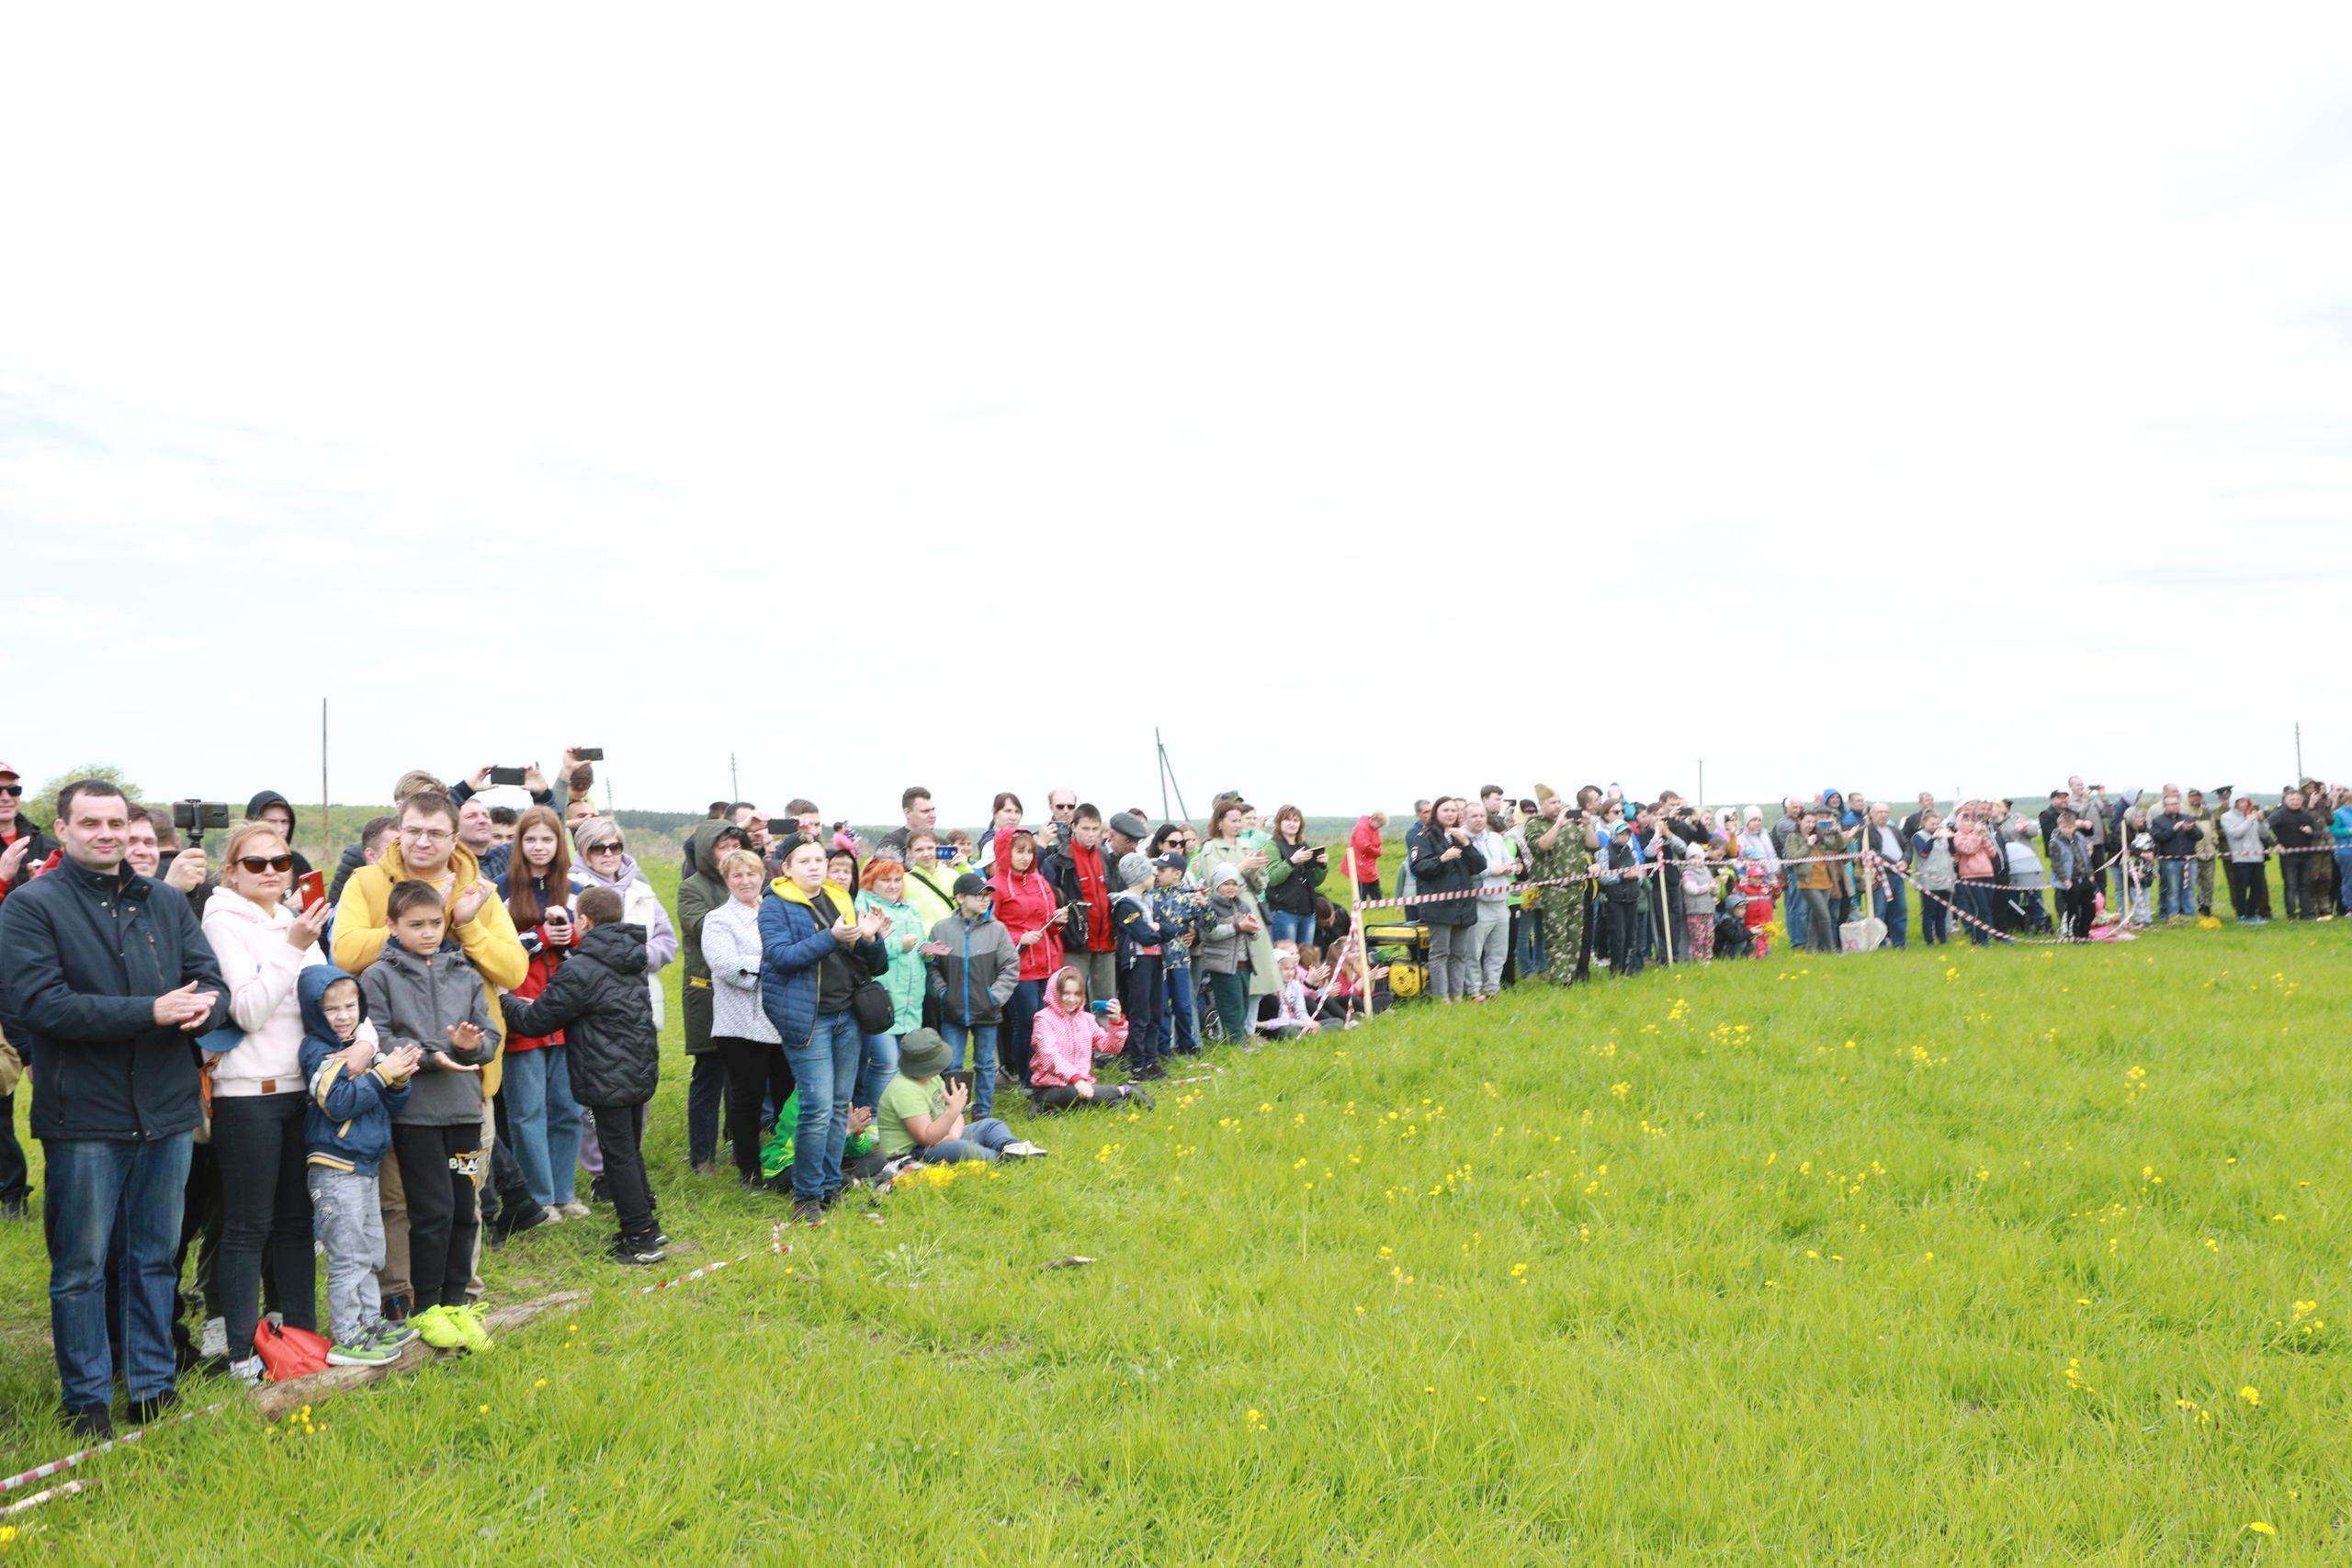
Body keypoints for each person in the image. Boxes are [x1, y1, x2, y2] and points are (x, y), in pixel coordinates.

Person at [0, 780, 227, 1436]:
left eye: (117, 822)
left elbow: (209, 977)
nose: (107, 833)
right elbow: (41, 1004)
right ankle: (87, 1399)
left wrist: (204, 1006)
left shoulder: (165, 900)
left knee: (155, 1257)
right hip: (84, 1114)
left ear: (133, 830)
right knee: (81, 1265)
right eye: (91, 822)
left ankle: (152, 1386)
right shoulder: (31, 906)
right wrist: (152, 1011)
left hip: (166, 1106)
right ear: (63, 831)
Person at [198, 818, 334, 1384]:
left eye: (282, 862)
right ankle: (239, 1355)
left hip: (301, 1090)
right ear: (231, 871)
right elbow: (248, 1011)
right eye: (257, 863)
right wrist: (292, 948)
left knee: (297, 1223)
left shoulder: (292, 919)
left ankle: (298, 1339)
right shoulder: (222, 919)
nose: (273, 873)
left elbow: (329, 997)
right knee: (247, 1226)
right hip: (247, 1093)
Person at [363, 880, 500, 1351]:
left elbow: (489, 1034)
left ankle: (457, 1301)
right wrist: (429, 1057)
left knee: (465, 1206)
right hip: (416, 1117)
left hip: (463, 1111)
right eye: (415, 925)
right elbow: (378, 1037)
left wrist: (472, 1046)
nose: (427, 933)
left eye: (435, 923)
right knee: (432, 1211)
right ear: (392, 925)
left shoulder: (464, 971)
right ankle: (426, 1308)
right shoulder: (377, 977)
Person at [500, 886, 668, 1266]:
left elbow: (536, 1021)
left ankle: (639, 1238)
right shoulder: (629, 958)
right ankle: (649, 1223)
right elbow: (595, 1006)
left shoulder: (580, 966)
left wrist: (503, 999)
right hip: (636, 1066)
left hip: (606, 1073)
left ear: (584, 922)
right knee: (629, 1150)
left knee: (618, 1155)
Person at [758, 835, 890, 1224]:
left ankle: (831, 1187)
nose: (815, 866)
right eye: (805, 861)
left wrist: (870, 937)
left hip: (847, 1014)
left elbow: (873, 965)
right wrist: (829, 937)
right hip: (807, 1018)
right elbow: (780, 958)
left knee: (837, 1106)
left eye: (820, 859)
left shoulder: (840, 898)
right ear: (787, 869)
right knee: (815, 1109)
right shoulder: (775, 905)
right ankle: (807, 1197)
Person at [297, 966, 422, 1366]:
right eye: (331, 1009)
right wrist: (382, 1075)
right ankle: (347, 1335)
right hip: (335, 1167)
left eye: (350, 1006)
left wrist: (399, 1080)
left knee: (370, 1251)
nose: (343, 1015)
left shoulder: (363, 1047)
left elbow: (388, 1103)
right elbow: (337, 1102)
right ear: (314, 1012)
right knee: (348, 1254)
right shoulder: (317, 1052)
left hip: (366, 1164)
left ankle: (370, 1322)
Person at [494, 806, 587, 1220]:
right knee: (528, 1110)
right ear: (519, 844)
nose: (539, 846)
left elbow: (586, 953)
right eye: (530, 839)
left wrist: (568, 940)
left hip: (566, 1014)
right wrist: (538, 936)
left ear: (558, 844)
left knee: (566, 1107)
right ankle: (539, 1196)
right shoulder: (499, 891)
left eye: (547, 839)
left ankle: (565, 1192)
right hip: (522, 1013)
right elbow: (494, 952)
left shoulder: (575, 889)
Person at [699, 847, 790, 1192]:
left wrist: (762, 959)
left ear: (762, 875)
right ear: (727, 880)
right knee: (747, 1097)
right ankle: (748, 1169)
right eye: (737, 875)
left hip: (781, 1019)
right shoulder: (718, 919)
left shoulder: (775, 911)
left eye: (751, 873)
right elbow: (724, 965)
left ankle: (785, 1159)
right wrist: (774, 963)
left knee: (787, 1095)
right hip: (740, 1024)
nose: (745, 880)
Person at [675, 818, 748, 1177]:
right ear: (707, 851)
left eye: (736, 845)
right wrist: (745, 907)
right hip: (707, 991)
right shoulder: (693, 888)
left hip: (746, 991)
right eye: (723, 846)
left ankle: (738, 1146)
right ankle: (702, 1157)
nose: (731, 852)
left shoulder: (749, 883)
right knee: (709, 1075)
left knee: (742, 1077)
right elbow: (704, 929)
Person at [876, 1028, 1045, 1166]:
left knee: (990, 1125)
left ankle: (1011, 1146)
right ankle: (1000, 1159)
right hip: (913, 1151)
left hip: (942, 1136)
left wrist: (954, 1129)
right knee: (963, 1149)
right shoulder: (905, 1090)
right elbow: (926, 1138)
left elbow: (954, 1118)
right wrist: (954, 1112)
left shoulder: (932, 1078)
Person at [927, 871, 1020, 1120]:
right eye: (978, 895)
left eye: (987, 895)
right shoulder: (941, 929)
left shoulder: (997, 930)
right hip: (953, 1010)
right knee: (953, 1064)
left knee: (985, 1063)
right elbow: (933, 967)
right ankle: (956, 1112)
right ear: (960, 898)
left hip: (987, 1009)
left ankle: (982, 1112)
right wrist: (944, 994)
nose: (985, 899)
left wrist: (995, 997)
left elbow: (1010, 966)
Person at [569, 818, 678, 1017]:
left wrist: (639, 956)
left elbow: (668, 941)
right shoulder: (572, 888)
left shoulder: (642, 890)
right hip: (593, 1000)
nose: (608, 853)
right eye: (598, 847)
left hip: (641, 1001)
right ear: (584, 851)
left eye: (614, 846)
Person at [854, 857, 930, 1113]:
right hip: (881, 1000)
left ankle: (893, 1113)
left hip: (911, 1000)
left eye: (897, 879)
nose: (893, 885)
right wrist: (900, 946)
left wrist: (927, 950)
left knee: (901, 1064)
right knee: (885, 1062)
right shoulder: (863, 906)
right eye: (885, 880)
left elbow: (919, 943)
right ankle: (872, 1114)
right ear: (870, 882)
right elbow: (862, 949)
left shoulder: (910, 908)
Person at [988, 829, 1062, 1084]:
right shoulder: (995, 887)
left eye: (1030, 851)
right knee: (1027, 1024)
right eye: (1019, 851)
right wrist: (1019, 938)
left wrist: (1058, 920)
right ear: (1004, 852)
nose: (1026, 857)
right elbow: (988, 927)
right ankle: (1027, 1078)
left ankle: (1046, 1073)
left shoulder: (1040, 881)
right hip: (1018, 967)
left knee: (1046, 1023)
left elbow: (1050, 923)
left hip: (1047, 963)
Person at [1028, 964, 1150, 1111]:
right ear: (1055, 992)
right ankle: (1125, 1090)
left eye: (1077, 994)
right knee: (1074, 1092)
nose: (1072, 999)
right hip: (1049, 1087)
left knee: (1114, 1106)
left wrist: (1117, 1023)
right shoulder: (1043, 1019)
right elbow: (1050, 1056)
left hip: (1083, 1085)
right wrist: (1076, 1079)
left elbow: (1111, 1047)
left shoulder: (1086, 1019)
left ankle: (1110, 1099)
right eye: (1066, 993)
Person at [1409, 797, 1486, 1003]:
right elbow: (1418, 868)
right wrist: (1441, 859)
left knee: (1459, 953)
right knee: (1440, 953)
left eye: (1453, 810)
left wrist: (1466, 843)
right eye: (1446, 810)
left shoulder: (1460, 835)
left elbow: (1479, 865)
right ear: (1436, 812)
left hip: (1463, 906)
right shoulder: (1424, 837)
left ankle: (1457, 995)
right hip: (1438, 906)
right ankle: (1442, 998)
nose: (1450, 814)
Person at [1521, 786, 1598, 987]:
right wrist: (1558, 824)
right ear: (1542, 804)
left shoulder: (1573, 825)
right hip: (1553, 889)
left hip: (1576, 886)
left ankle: (1570, 977)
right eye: (1553, 803)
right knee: (1557, 936)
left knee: (1575, 935)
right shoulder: (1534, 824)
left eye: (1559, 802)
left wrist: (1588, 825)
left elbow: (1593, 844)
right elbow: (1541, 846)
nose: (1558, 806)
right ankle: (1560, 980)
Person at [1043, 806, 1120, 1006]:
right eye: (1086, 828)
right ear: (1074, 827)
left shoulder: (1105, 857)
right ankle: (1069, 1038)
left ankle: (1104, 1038)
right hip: (1074, 944)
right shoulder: (1059, 860)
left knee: (1105, 1004)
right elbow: (1051, 899)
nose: (1091, 834)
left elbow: (1114, 894)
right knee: (1069, 1002)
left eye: (1095, 829)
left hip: (1106, 942)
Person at [1109, 852, 1168, 1078]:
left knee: (1155, 1011)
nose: (1155, 875)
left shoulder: (1151, 900)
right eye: (1151, 871)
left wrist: (1158, 928)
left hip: (1155, 960)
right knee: (1140, 1013)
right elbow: (1144, 935)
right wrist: (1156, 929)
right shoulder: (1124, 904)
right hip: (1138, 962)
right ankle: (1138, 1064)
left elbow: (1170, 929)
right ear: (1139, 875)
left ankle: (1152, 1061)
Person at [1197, 865, 1263, 1040]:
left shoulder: (1243, 905)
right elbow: (1209, 933)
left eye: (1234, 883)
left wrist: (1253, 930)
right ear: (1216, 885)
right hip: (1223, 965)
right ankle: (1235, 1044)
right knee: (1231, 1007)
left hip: (1244, 964)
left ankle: (1239, 1041)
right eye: (1226, 883)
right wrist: (1239, 926)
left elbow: (1255, 935)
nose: (1231, 887)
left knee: (1243, 1005)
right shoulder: (1210, 905)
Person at [1151, 850, 1206, 1055]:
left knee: (1183, 1006)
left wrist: (1205, 905)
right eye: (1158, 869)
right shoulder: (1151, 896)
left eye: (1163, 870)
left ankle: (1188, 1046)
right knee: (1162, 1007)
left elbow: (1209, 924)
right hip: (1159, 961)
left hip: (1181, 961)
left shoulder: (1189, 896)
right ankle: (1164, 1049)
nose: (1158, 873)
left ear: (1178, 874)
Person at [1461, 801, 1517, 998]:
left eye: (1481, 816)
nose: (1478, 819)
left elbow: (1510, 861)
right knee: (1473, 952)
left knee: (1499, 950)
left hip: (1501, 901)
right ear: (1465, 818)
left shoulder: (1495, 837)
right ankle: (1474, 990)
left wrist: (1509, 866)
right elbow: (1467, 871)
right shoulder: (1461, 839)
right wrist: (1492, 870)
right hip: (1478, 902)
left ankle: (1492, 988)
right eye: (1474, 816)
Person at [1261, 806, 1329, 950]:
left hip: (1308, 912)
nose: (1292, 824)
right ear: (1279, 823)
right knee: (1286, 958)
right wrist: (1292, 861)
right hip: (1284, 913)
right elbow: (1272, 878)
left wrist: (1322, 866)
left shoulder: (1303, 846)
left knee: (1305, 958)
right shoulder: (1272, 845)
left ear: (1301, 824)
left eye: (1296, 820)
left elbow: (1315, 881)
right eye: (1287, 820)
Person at [1858, 802, 1908, 950]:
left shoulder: (1894, 830)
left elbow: (1907, 846)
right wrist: (1894, 863)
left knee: (1900, 910)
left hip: (1897, 876)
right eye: (1880, 812)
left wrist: (1904, 861)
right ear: (1871, 814)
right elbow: (1873, 853)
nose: (1884, 815)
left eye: (1886, 812)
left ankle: (1900, 943)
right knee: (1879, 911)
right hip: (1879, 877)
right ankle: (1878, 943)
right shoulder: (1865, 831)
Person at [2267, 788, 2322, 919]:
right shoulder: (2279, 814)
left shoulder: (2307, 815)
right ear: (2286, 800)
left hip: (2306, 856)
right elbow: (2263, 829)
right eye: (2292, 799)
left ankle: (2305, 914)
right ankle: (2291, 915)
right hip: (2288, 857)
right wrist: (2275, 844)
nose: (2295, 802)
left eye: (2298, 799)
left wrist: (2311, 832)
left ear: (2302, 800)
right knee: (2290, 886)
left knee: (2305, 885)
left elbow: (2319, 833)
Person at [2148, 789, 2200, 923]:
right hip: (2170, 861)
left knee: (2189, 889)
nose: (2174, 806)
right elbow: (2159, 838)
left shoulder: (2188, 818)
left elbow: (2199, 836)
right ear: (2165, 806)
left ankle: (2189, 915)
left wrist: (2191, 830)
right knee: (2173, 890)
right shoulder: (2158, 821)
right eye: (2171, 804)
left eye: (2176, 804)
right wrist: (2174, 829)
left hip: (2190, 860)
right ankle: (2173, 915)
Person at [2220, 796, 2272, 923]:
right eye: (2241, 802)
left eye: (2246, 802)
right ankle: (2242, 915)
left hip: (2257, 857)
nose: (2244, 804)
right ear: (2234, 803)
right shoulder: (2226, 817)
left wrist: (2261, 821)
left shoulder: (2251, 815)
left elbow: (2264, 834)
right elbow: (2236, 834)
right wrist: (2250, 819)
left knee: (2258, 888)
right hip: (2241, 858)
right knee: (2241, 888)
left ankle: (2252, 913)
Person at [1949, 808, 1996, 946]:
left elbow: (1991, 853)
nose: (1969, 823)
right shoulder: (1958, 836)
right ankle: (1978, 939)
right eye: (1966, 820)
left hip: (1987, 875)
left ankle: (1984, 937)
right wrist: (1976, 834)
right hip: (1971, 877)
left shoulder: (1978, 835)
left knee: (1987, 908)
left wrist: (1985, 837)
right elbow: (1969, 849)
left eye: (1971, 820)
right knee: (1980, 908)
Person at [2050, 809, 2098, 940]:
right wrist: (2066, 881)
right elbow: (2056, 864)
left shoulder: (2080, 838)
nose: (2066, 830)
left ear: (2074, 827)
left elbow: (2086, 858)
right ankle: (2074, 935)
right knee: (2073, 911)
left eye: (2069, 827)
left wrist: (2091, 874)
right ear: (2059, 826)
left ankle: (2085, 934)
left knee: (2090, 909)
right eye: (2063, 827)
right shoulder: (2055, 842)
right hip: (2069, 881)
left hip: (2084, 878)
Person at [1260, 951, 1322, 1036]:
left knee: (1337, 1021)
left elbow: (1301, 1011)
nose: (1290, 973)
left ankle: (1308, 1033)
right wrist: (1302, 1024)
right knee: (1289, 1031)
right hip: (1277, 1025)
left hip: (1296, 1023)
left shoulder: (1295, 984)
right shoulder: (1271, 988)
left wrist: (1309, 1023)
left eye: (1292, 969)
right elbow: (1283, 1020)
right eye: (1285, 969)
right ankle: (1308, 1034)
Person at [872, 785, 939, 863]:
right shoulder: (891, 842)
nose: (932, 815)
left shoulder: (944, 844)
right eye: (925, 811)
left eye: (933, 810)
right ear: (908, 812)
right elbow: (885, 869)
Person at [1350, 810, 1387, 902]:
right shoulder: (1362, 828)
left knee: (1375, 888)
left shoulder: (1374, 829)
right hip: (1361, 865)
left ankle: (1380, 907)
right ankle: (1361, 910)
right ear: (1375, 819)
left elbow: (1378, 843)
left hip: (1370, 864)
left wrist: (1378, 850)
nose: (1379, 827)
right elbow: (1364, 846)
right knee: (1362, 892)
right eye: (1380, 824)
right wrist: (1378, 852)